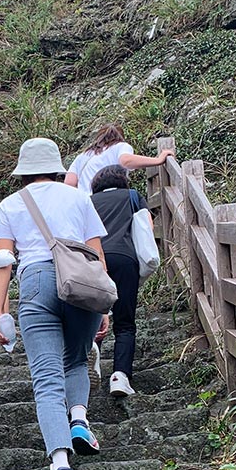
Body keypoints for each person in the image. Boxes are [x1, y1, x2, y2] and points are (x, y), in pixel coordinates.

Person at [0, 138, 108, 470]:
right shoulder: (78, 198)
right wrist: (105, 306)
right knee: (76, 359)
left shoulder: (11, 204)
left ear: (23, 171)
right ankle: (79, 419)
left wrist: (0, 311)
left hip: (36, 280)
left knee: (46, 378)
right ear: (57, 167)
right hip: (82, 280)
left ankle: (59, 466)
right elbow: (96, 252)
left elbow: (2, 263)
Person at [90, 165, 153, 397]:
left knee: (93, 317)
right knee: (125, 323)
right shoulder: (132, 196)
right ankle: (120, 376)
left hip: (93, 260)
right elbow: (147, 225)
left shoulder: (89, 201)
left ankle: (92, 352)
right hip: (125, 258)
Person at [65, 124, 174, 196]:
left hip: (86, 202)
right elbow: (125, 161)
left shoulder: (84, 155)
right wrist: (158, 160)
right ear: (120, 137)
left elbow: (69, 182)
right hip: (110, 198)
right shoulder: (120, 146)